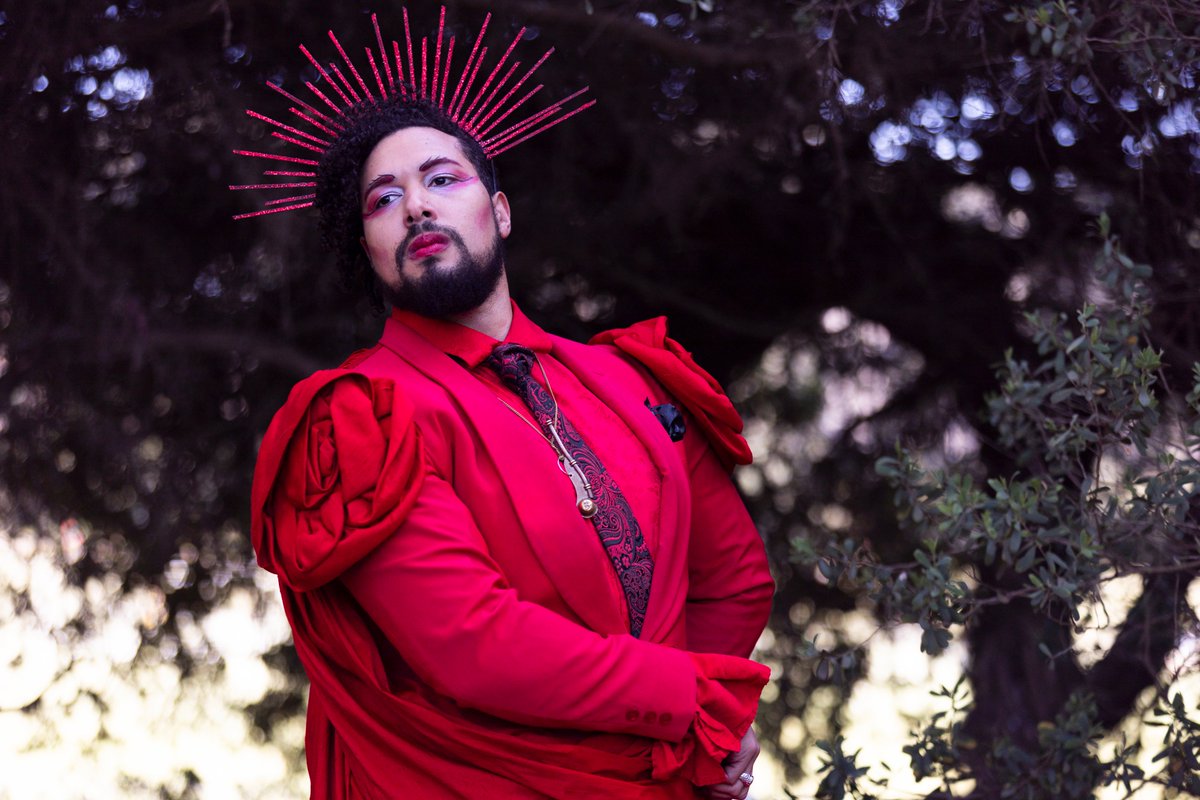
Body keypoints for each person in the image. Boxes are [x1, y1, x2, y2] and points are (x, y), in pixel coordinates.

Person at [244, 9, 774, 799]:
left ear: (498, 211)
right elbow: (474, 644)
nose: (417, 207)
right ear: (369, 250)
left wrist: (690, 735)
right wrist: (690, 702)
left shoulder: (633, 378)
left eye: (442, 179)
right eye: (383, 200)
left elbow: (734, 579)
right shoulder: (363, 417)